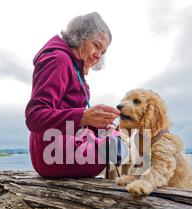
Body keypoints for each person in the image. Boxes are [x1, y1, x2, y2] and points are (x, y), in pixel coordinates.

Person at [25, 12, 121, 178]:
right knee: (122, 142)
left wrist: (101, 124)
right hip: (53, 155)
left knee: (115, 134)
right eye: (96, 45)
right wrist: (84, 117)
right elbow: (34, 117)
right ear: (81, 36)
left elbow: (70, 115)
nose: (99, 55)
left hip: (59, 149)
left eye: (103, 52)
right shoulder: (59, 60)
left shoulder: (73, 65)